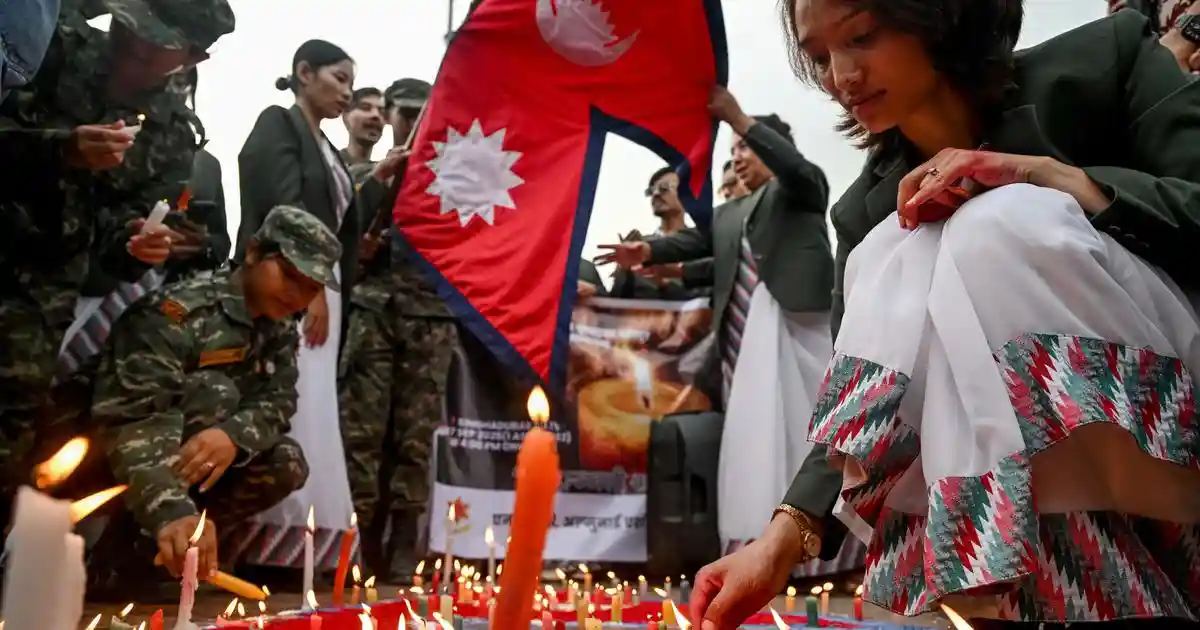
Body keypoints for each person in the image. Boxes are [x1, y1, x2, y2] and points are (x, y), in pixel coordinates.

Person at [691, 1, 1200, 627]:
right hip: (1059, 502)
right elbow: (865, 392)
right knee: (898, 247)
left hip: (1172, 402)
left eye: (862, 36)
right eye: (820, 57)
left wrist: (1045, 177)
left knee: (990, 225)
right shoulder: (866, 212)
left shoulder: (1106, 61)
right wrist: (780, 541)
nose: (842, 77)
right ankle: (1043, 585)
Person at [0, 0, 234, 528]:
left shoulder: (173, 136)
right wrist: (60, 150)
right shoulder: (52, 46)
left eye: (157, 44)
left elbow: (119, 242)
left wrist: (137, 247)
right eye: (130, 28)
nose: (135, 46)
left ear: (192, 58)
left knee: (11, 430)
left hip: (39, 302)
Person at [77, 205, 339, 599]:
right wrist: (173, 510)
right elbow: (135, 420)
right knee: (213, 393)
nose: (297, 295)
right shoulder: (176, 314)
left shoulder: (278, 326)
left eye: (311, 288)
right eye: (289, 275)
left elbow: (280, 399)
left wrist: (232, 435)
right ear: (253, 252)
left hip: (167, 459)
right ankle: (162, 530)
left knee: (284, 462)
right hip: (98, 451)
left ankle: (138, 558)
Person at [233, 38, 361, 572]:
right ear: (304, 73)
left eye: (352, 83)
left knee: (315, 403)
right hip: (289, 278)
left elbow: (342, 223)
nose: (347, 93)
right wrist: (311, 288)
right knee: (289, 396)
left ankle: (310, 541)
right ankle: (268, 539)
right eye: (339, 78)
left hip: (323, 283)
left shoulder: (329, 149)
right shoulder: (278, 124)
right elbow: (281, 207)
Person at [340, 86, 385, 167]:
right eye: (366, 108)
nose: (376, 115)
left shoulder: (386, 170)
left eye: (382, 112)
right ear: (346, 116)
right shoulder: (329, 163)